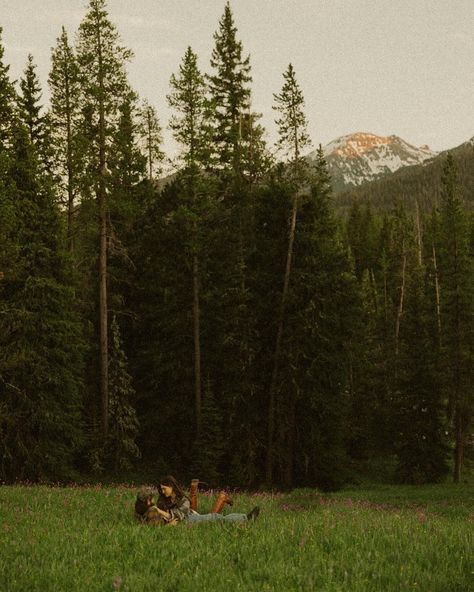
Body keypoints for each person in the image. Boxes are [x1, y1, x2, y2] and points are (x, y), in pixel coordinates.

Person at [155, 475, 260, 524]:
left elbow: (179, 516)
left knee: (216, 517)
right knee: (216, 518)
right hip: (188, 521)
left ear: (172, 486)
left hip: (190, 517)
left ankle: (246, 518)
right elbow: (157, 518)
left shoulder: (183, 499)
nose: (163, 491)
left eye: (164, 489)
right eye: (161, 489)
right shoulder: (162, 500)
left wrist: (161, 512)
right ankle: (245, 518)